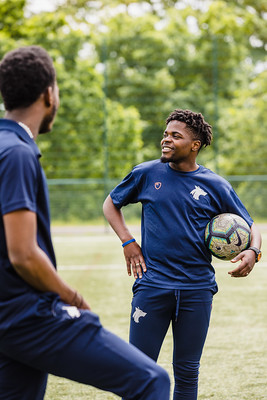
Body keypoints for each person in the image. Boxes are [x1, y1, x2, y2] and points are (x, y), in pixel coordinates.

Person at [0, 45, 170, 400]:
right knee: (152, 380)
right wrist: (71, 297)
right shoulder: (16, 152)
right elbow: (23, 254)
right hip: (25, 317)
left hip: (9, 324)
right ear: (49, 94)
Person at [103, 109, 262, 400]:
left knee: (187, 371)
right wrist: (128, 242)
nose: (166, 139)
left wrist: (253, 251)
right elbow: (110, 204)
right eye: (166, 134)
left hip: (197, 290)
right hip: (152, 286)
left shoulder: (215, 185)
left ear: (195, 145)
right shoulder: (146, 174)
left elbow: (252, 227)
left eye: (176, 136)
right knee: (139, 369)